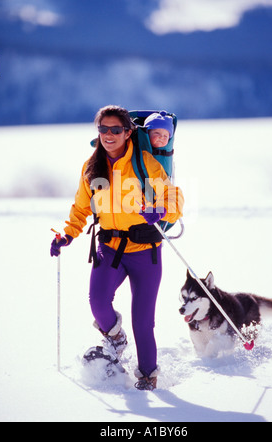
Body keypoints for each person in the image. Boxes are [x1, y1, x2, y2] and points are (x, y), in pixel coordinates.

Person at [50, 105, 184, 391]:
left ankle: (148, 375)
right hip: (109, 248)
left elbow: (174, 197)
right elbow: (80, 207)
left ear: (128, 132)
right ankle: (115, 338)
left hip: (145, 251)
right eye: (103, 129)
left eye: (115, 130)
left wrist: (160, 211)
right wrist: (67, 234)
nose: (109, 135)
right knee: (97, 302)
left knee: (143, 321)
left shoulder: (144, 162)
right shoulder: (91, 166)